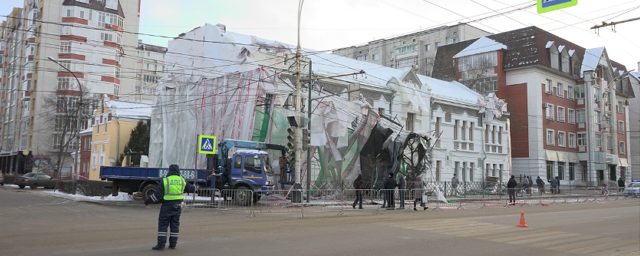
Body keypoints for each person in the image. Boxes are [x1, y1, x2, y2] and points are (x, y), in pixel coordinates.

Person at [145, 164, 196, 250]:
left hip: (166, 207)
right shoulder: (182, 180)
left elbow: (157, 195)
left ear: (169, 171)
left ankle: (161, 244)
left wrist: (148, 200)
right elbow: (191, 189)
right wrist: (195, 187)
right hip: (178, 207)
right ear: (178, 171)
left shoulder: (165, 181)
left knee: (163, 225)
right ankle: (173, 244)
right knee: (175, 225)